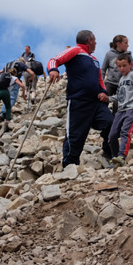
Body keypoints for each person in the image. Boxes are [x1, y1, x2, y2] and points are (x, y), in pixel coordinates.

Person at [47, 30, 113, 167]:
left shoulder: (95, 60)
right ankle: (69, 166)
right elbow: (54, 60)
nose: (96, 43)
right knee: (75, 136)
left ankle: (108, 152)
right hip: (78, 101)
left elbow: (100, 79)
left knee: (110, 123)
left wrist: (104, 93)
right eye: (94, 40)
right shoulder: (75, 51)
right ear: (89, 40)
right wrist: (53, 70)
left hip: (96, 102)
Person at [108, 52, 133, 166]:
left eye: (124, 65)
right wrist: (107, 99)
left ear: (130, 65)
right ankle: (115, 157)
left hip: (132, 109)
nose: (122, 68)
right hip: (120, 110)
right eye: (119, 66)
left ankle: (122, 156)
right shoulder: (121, 79)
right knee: (112, 135)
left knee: (126, 132)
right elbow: (119, 96)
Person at [102, 34, 131, 114]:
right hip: (110, 83)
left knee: (118, 105)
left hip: (122, 84)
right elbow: (103, 69)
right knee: (103, 101)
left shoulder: (128, 55)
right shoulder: (109, 54)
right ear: (118, 43)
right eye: (126, 43)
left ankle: (115, 124)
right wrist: (100, 84)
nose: (128, 45)